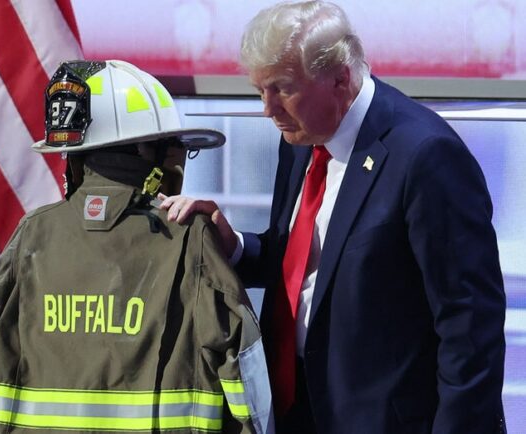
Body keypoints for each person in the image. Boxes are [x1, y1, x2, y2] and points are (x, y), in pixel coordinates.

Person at [159, 2, 507, 433]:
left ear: (341, 77)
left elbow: (470, 328)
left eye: (282, 88)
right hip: (295, 410)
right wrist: (234, 246)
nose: (268, 109)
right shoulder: (302, 136)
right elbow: (306, 263)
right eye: (259, 90)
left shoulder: (426, 156)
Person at [0, 60, 274, 434]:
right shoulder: (188, 237)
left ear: (76, 160)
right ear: (150, 154)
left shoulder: (32, 234)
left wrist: (2, 424)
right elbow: (243, 359)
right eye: (174, 148)